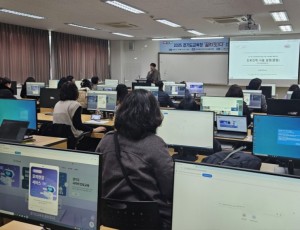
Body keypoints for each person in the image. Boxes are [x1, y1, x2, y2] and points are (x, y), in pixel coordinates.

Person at [96, 89, 173, 229]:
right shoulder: (155, 145)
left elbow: (96, 181)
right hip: (148, 221)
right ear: (153, 115)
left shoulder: (106, 141)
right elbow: (170, 188)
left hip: (108, 219)